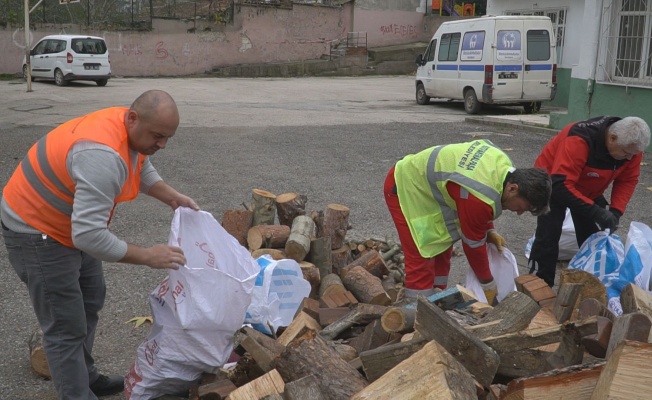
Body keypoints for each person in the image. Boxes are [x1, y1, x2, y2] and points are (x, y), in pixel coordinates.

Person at [1, 90, 199, 399]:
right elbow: (89, 237)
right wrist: (148, 255)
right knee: (65, 326)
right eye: (158, 136)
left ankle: (85, 376)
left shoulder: (128, 127)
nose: (163, 144)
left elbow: (139, 163)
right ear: (133, 119)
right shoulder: (101, 156)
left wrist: (171, 196)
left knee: (91, 298)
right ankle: (77, 393)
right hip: (36, 229)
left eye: (167, 137)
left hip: (68, 221)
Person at [384, 139, 551, 305]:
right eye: (523, 206)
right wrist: (487, 283)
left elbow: (485, 197)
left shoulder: (504, 166)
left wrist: (489, 230)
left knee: (441, 248)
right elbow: (473, 246)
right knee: (422, 255)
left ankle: (435, 300)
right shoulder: (479, 199)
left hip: (427, 191)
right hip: (405, 187)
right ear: (513, 188)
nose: (520, 212)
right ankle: (415, 312)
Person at [528, 116, 651, 287]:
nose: (629, 158)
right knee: (548, 234)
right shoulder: (578, 139)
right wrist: (596, 211)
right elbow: (561, 185)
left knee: (594, 235)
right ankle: (539, 283)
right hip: (552, 183)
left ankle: (594, 282)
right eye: (625, 153)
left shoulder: (630, 147)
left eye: (634, 154)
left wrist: (615, 211)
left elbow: (628, 180)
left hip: (587, 186)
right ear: (612, 138)